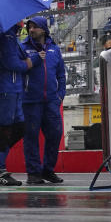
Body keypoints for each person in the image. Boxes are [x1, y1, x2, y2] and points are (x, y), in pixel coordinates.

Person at [0, 20, 40, 186]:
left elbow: (15, 58)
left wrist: (29, 59)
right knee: (5, 128)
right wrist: (32, 61)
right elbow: (12, 63)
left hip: (10, 87)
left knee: (18, 127)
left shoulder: (8, 36)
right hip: (5, 88)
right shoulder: (5, 37)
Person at [22, 17, 66, 185]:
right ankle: (33, 174)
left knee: (55, 134)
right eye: (29, 27)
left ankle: (48, 170)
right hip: (30, 102)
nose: (31, 30)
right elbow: (18, 70)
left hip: (51, 102)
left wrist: (61, 94)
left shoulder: (54, 49)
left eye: (34, 27)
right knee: (31, 137)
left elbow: (61, 74)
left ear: (43, 29)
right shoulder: (23, 48)